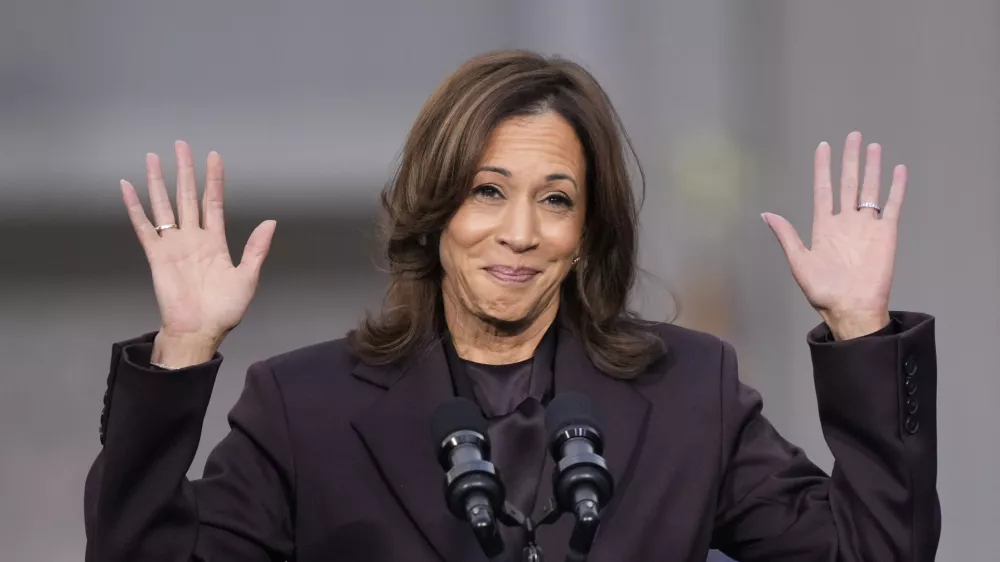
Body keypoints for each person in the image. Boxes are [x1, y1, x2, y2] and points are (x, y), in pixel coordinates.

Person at [84, 50, 940, 562]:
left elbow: (870, 553)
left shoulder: (691, 392)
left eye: (556, 199)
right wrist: (186, 346)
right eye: (488, 191)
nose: (520, 233)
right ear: (435, 209)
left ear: (588, 231)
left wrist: (861, 326)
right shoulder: (301, 409)